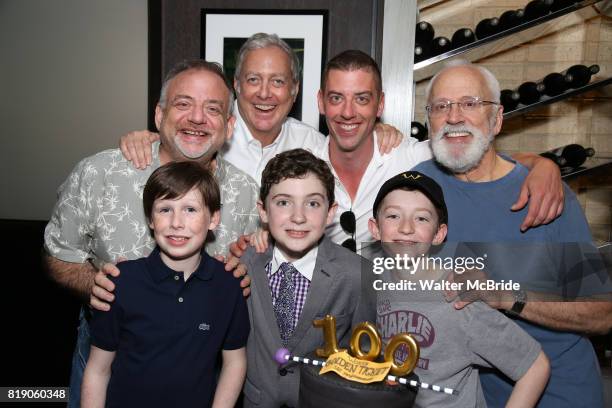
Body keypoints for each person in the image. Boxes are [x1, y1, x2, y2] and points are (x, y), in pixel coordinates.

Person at [124, 48, 565, 249]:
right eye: (336, 97)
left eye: (362, 98)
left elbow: (467, 147)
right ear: (320, 102)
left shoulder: (407, 155)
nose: (348, 112)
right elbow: (198, 152)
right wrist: (152, 135)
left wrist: (540, 164)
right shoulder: (305, 154)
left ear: (380, 104)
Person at [44, 59, 259, 407]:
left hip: (201, 369)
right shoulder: (100, 173)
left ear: (229, 125)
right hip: (105, 356)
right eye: (183, 103)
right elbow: (59, 254)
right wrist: (95, 284)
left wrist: (245, 274)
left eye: (213, 109)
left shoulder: (246, 191)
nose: (197, 118)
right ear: (159, 116)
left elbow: (251, 265)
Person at [412, 60, 612, 407]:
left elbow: (602, 314)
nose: (454, 116)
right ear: (429, 120)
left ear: (497, 118)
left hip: (558, 395)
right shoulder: (417, 188)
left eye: (471, 103)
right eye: (441, 106)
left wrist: (506, 297)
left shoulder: (545, 197)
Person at [366, 170, 550, 408]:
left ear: (439, 234)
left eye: (421, 218)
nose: (406, 228)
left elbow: (536, 367)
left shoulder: (458, 298)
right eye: (393, 216)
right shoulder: (372, 280)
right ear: (375, 228)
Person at [120, 33, 404, 184]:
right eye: (253, 79)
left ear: (294, 90)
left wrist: (377, 130)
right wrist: (150, 139)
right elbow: (175, 143)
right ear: (237, 86)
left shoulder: (315, 147)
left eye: (277, 81)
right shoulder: (208, 136)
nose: (265, 93)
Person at [81, 161, 248, 408]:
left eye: (190, 209)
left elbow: (235, 361)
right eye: (165, 209)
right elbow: (98, 370)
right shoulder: (120, 282)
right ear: (150, 219)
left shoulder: (228, 285)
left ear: (213, 219)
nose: (176, 222)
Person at [241, 148, 375, 407]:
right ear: (263, 211)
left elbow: (365, 358)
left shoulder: (357, 274)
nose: (298, 216)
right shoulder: (245, 263)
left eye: (312, 203)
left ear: (330, 212)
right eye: (283, 202)